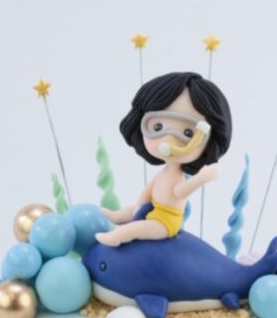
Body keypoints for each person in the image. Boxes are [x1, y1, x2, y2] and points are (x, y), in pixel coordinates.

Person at [95, 71, 232, 246]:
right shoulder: (166, 172)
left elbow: (179, 192)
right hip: (152, 210)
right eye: (158, 127)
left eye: (188, 133)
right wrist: (141, 205)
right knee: (131, 211)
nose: (168, 140)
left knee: (136, 229)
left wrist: (201, 179)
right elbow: (151, 188)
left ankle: (117, 237)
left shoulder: (178, 176)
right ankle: (116, 216)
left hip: (165, 223)